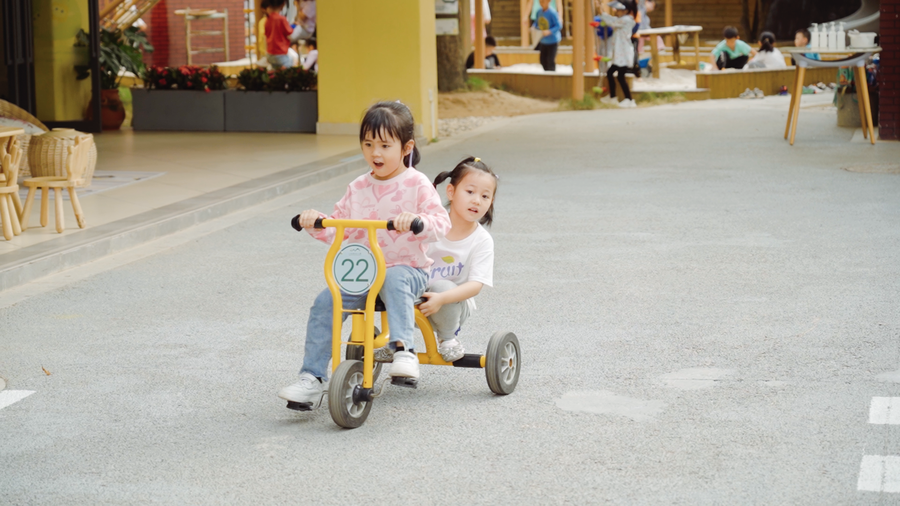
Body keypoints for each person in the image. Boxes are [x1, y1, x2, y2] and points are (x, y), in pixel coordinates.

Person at [278, 102, 452, 410]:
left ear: (406, 147)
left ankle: (404, 350)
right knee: (325, 302)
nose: (376, 153)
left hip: (408, 270)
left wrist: (416, 222)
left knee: (396, 276)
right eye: (368, 144)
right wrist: (314, 220)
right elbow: (337, 227)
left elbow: (442, 223)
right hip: (363, 275)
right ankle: (312, 378)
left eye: (385, 145)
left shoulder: (416, 183)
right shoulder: (358, 186)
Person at [376, 157, 497, 364]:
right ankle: (397, 340)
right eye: (470, 192)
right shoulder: (430, 225)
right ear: (450, 192)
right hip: (416, 296)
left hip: (451, 304)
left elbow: (476, 285)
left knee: (441, 286)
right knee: (391, 275)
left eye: (485, 196)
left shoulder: (482, 240)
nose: (477, 200)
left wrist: (442, 298)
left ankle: (448, 338)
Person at [598, 0, 637, 108]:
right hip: (620, 55)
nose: (617, 11)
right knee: (612, 74)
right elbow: (613, 19)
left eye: (619, 10)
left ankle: (629, 100)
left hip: (624, 55)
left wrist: (601, 13)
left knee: (619, 76)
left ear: (625, 11)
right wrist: (601, 11)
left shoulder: (627, 20)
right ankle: (613, 97)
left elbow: (612, 22)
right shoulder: (623, 19)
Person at [534, 0, 562, 72]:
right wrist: (533, 28)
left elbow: (559, 25)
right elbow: (536, 23)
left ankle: (552, 75)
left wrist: (550, 31)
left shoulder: (552, 13)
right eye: (540, 2)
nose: (542, 3)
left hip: (553, 41)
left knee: (550, 60)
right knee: (542, 60)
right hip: (543, 40)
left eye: (543, 1)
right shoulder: (539, 12)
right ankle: (546, 74)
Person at [264, 0, 294, 69]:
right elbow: (289, 32)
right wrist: (295, 26)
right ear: (283, 4)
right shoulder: (282, 19)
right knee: (290, 63)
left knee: (275, 72)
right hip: (280, 52)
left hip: (270, 52)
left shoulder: (267, 19)